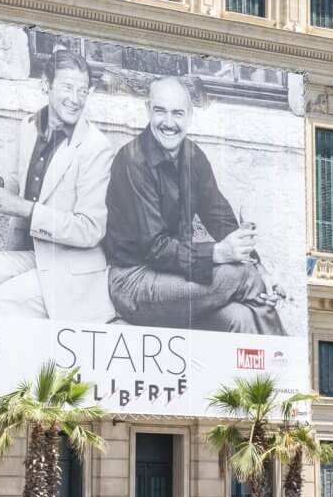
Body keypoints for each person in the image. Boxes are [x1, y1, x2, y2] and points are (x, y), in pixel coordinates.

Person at [103, 76, 285, 334]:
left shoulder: (192, 156)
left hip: (175, 277)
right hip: (133, 283)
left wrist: (260, 268)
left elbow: (222, 220)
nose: (168, 123)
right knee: (243, 277)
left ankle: (258, 371)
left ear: (189, 115)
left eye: (177, 113)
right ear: (147, 111)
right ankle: (285, 367)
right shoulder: (132, 160)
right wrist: (220, 254)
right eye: (160, 111)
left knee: (240, 317)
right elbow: (156, 249)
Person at [0, 50, 115, 322]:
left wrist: (24, 208)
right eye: (68, 88)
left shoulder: (96, 147)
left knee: (1, 301)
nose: (75, 99)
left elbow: (90, 230)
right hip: (32, 257)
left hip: (70, 271)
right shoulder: (29, 126)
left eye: (83, 91)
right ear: (45, 86)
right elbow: (17, 190)